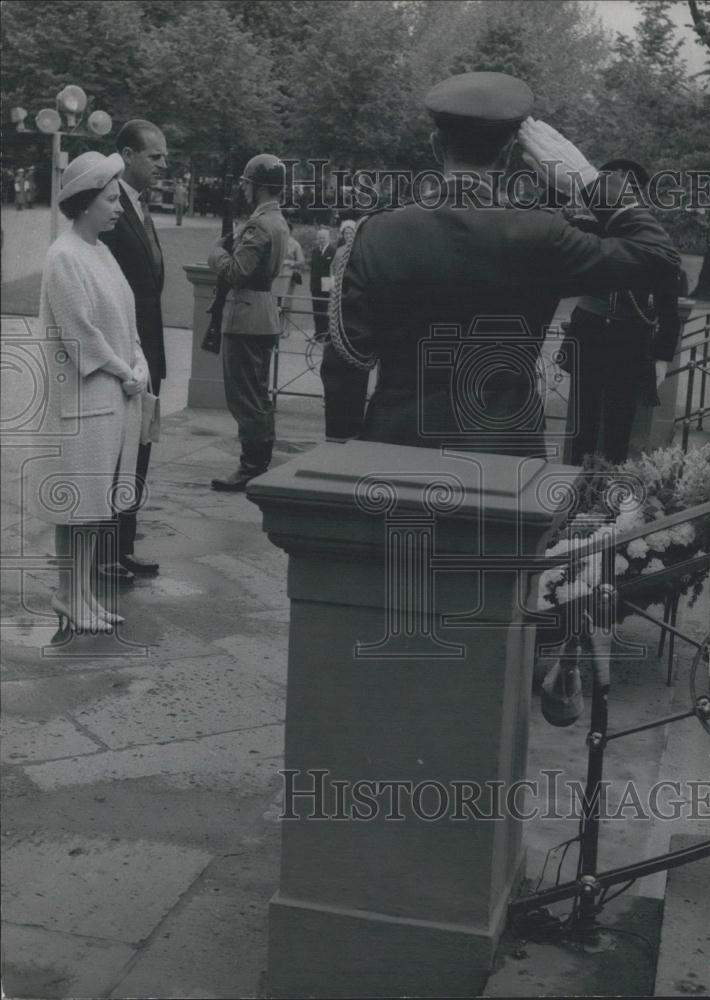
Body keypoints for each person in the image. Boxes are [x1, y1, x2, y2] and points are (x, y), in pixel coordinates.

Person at [322, 71, 681, 452]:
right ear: (510, 152)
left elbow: (347, 361)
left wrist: (340, 447)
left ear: (435, 146)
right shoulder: (544, 234)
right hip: (506, 453)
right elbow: (657, 257)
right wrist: (588, 181)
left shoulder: (375, 234)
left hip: (394, 447)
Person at [30, 151, 148, 634]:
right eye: (110, 198)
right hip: (81, 402)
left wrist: (138, 361)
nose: (119, 206)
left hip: (110, 397)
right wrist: (125, 368)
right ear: (84, 202)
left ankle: (81, 595)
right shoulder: (63, 256)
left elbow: (126, 320)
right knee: (76, 506)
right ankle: (67, 594)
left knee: (94, 508)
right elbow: (82, 333)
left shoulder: (101, 251)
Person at [563, 160, 683, 464]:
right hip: (589, 331)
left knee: (620, 422)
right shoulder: (583, 228)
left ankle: (610, 492)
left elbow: (669, 298)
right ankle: (572, 487)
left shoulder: (650, 237)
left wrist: (662, 354)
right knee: (581, 418)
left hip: (630, 335)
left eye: (626, 189)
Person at [100, 118, 168, 581]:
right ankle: (104, 554)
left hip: (148, 353)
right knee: (114, 457)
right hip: (125, 354)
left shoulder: (139, 206)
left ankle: (123, 546)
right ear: (127, 155)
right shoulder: (110, 208)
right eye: (155, 156)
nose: (164, 164)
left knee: (138, 454)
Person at [209, 154, 289, 493]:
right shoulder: (277, 220)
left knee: (244, 397)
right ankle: (259, 462)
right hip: (262, 315)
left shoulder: (259, 225)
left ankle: (251, 467)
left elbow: (236, 272)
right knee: (257, 395)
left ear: (258, 186)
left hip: (245, 317)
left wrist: (216, 254)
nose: (242, 188)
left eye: (246, 183)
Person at [273, 221, 306, 322]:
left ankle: (284, 329)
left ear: (290, 231)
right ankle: (273, 328)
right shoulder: (275, 242)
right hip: (275, 276)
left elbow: (301, 262)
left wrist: (289, 262)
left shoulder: (295, 244)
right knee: (273, 303)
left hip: (288, 276)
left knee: (285, 303)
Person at [310, 226, 335, 341]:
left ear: (328, 238)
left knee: (325, 309)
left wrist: (332, 284)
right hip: (315, 284)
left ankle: (325, 334)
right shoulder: (314, 251)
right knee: (316, 309)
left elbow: (334, 269)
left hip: (327, 283)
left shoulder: (333, 251)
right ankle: (317, 333)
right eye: (320, 237)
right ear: (317, 239)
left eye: (324, 237)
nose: (322, 239)